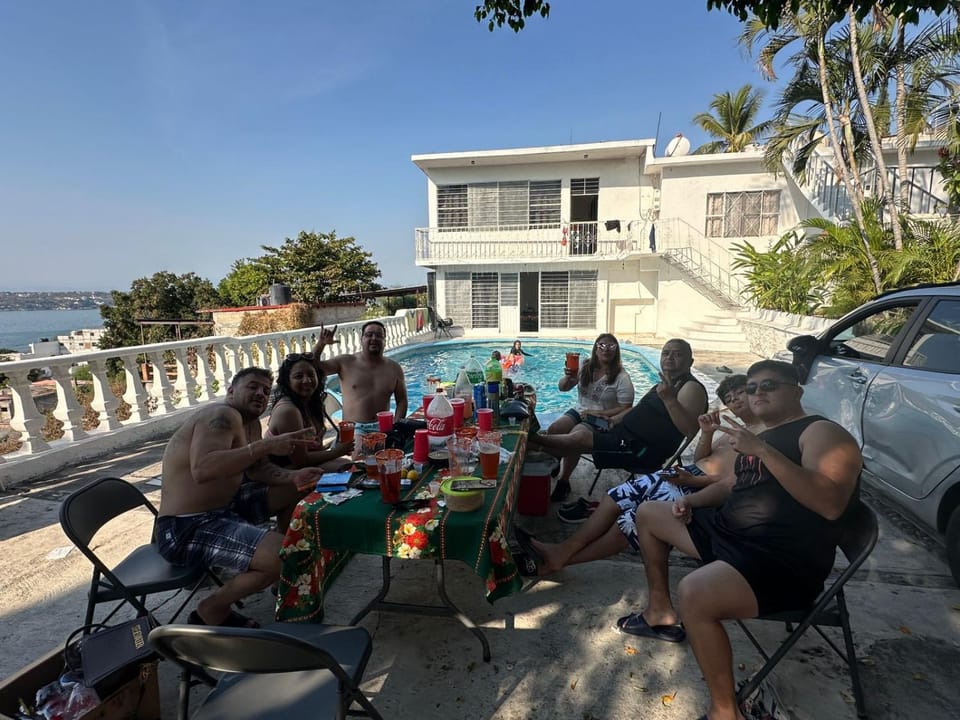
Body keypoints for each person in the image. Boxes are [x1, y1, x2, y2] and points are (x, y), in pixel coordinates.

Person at [627, 360, 862, 720]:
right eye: (751, 387)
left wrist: (763, 450)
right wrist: (691, 501)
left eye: (769, 385)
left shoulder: (821, 432)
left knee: (695, 593)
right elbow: (731, 485)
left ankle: (725, 712)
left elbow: (830, 505)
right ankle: (659, 610)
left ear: (797, 391)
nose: (757, 393)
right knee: (648, 513)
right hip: (730, 534)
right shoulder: (762, 434)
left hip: (778, 561)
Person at [521, 375, 760, 576]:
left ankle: (561, 559)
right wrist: (706, 434)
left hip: (698, 487)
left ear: (753, 394)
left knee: (627, 525)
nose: (735, 401)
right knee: (613, 497)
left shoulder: (762, 438)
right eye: (730, 398)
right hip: (686, 474)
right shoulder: (736, 430)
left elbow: (736, 481)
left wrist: (693, 480)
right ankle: (563, 550)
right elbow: (701, 458)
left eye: (740, 393)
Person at [156, 367, 323, 627]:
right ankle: (212, 609)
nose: (261, 394)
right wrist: (265, 446)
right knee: (287, 554)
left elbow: (258, 469)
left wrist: (294, 476)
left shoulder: (250, 423)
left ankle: (269, 568)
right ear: (231, 391)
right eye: (253, 386)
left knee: (301, 487)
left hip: (227, 508)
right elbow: (203, 469)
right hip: (185, 527)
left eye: (266, 390)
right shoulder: (221, 415)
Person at [530, 339, 708, 487]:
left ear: (690, 362)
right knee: (572, 432)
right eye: (666, 353)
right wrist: (614, 420)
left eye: (677, 354)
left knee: (578, 438)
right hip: (622, 432)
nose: (669, 357)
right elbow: (637, 409)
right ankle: (539, 446)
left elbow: (690, 430)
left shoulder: (691, 388)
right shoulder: (666, 384)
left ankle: (534, 442)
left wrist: (669, 399)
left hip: (640, 449)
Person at [546, 333, 635, 502]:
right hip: (581, 410)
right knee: (554, 429)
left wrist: (599, 414)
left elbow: (626, 408)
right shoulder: (585, 366)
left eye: (611, 346)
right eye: (601, 345)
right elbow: (563, 388)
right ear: (595, 348)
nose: (606, 349)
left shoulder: (622, 377)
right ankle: (557, 458)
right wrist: (569, 377)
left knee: (574, 437)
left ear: (616, 351)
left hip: (603, 418)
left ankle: (564, 482)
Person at [266, 353, 354, 470]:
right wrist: (336, 452)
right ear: (287, 381)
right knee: (348, 468)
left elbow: (315, 449)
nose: (307, 380)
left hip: (302, 467)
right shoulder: (288, 411)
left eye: (311, 375)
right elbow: (301, 461)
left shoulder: (310, 403)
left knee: (351, 466)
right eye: (298, 376)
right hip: (283, 471)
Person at [312, 321, 408, 424]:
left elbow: (402, 400)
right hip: (353, 428)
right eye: (369, 335)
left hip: (382, 426)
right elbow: (313, 367)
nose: (374, 338)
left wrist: (396, 425)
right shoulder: (345, 362)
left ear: (384, 340)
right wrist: (321, 344)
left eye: (379, 335)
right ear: (361, 339)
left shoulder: (394, 368)